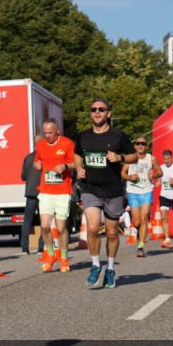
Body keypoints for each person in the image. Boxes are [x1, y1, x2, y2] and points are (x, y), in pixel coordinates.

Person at [74, 99, 137, 289]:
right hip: (90, 188)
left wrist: (120, 157)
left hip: (113, 191)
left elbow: (134, 155)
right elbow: (77, 154)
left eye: (101, 109)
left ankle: (110, 268)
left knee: (111, 232)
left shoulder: (119, 136)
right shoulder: (83, 136)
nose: (97, 112)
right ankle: (95, 265)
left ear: (108, 113)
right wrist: (78, 167)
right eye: (94, 109)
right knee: (92, 228)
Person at [33, 119, 76, 272]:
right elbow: (37, 161)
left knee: (61, 227)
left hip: (63, 191)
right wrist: (37, 165)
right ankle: (50, 255)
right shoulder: (40, 145)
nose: (48, 136)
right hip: (45, 191)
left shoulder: (67, 143)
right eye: (45, 133)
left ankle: (64, 258)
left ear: (57, 131)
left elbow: (74, 163)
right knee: (44, 226)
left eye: (50, 133)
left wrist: (64, 166)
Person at [122, 136, 159, 258]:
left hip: (146, 191)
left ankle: (141, 246)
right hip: (132, 192)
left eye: (143, 144)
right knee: (136, 221)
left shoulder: (151, 159)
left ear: (146, 146)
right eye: (138, 143)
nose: (140, 146)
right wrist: (129, 177)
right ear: (135, 146)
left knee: (144, 218)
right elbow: (122, 173)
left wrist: (154, 173)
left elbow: (160, 172)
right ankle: (139, 234)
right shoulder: (131, 158)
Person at [20, 136, 43, 254]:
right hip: (43, 192)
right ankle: (41, 248)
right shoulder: (45, 157)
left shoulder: (28, 157)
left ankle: (25, 248)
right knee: (44, 221)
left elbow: (23, 176)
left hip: (30, 192)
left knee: (27, 220)